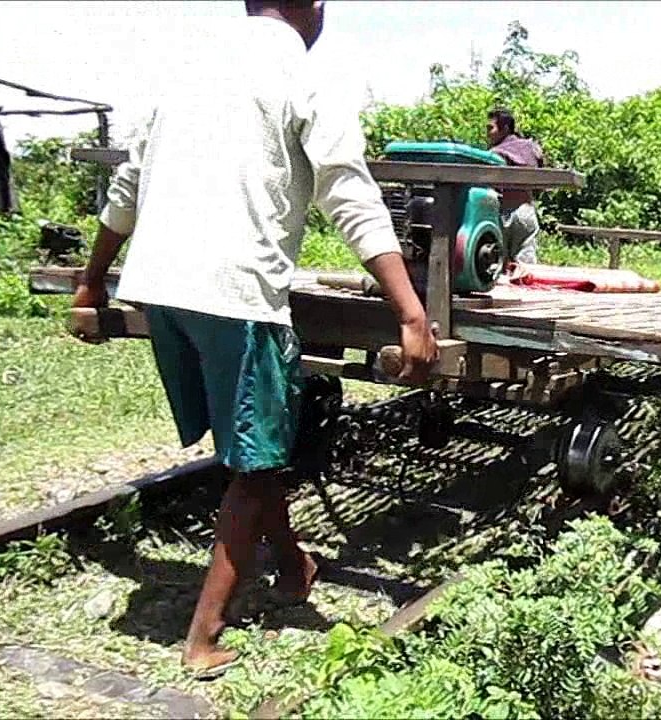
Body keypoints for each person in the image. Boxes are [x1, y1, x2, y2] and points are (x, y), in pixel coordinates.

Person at [70, 0, 438, 678]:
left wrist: (92, 283)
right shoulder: (306, 75)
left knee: (250, 445)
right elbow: (349, 195)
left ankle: (294, 569)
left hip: (159, 287)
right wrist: (412, 314)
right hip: (234, 294)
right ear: (317, 6)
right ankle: (204, 637)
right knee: (258, 462)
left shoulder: (185, 69)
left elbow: (126, 187)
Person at [485, 108, 544, 265]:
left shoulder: (495, 153)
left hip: (503, 213)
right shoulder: (532, 147)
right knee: (526, 266)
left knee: (498, 265)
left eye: (490, 128)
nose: (487, 133)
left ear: (504, 129)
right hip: (526, 211)